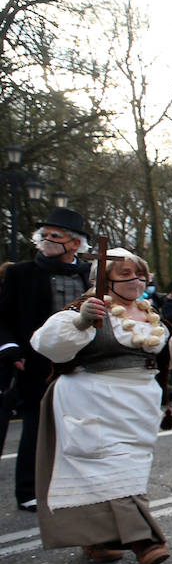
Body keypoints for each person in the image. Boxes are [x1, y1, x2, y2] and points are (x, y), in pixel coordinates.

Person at [30, 249, 172, 564]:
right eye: (125, 274)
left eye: (140, 274)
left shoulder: (149, 313)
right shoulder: (86, 309)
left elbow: (164, 354)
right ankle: (146, 541)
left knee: (124, 473)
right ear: (104, 279)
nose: (135, 280)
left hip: (139, 404)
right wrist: (82, 320)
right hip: (92, 400)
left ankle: (97, 541)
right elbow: (46, 343)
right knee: (111, 471)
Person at [0, 208, 92, 512]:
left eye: (56, 235)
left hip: (84, 364)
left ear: (75, 243)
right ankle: (29, 490)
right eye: (45, 235)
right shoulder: (20, 273)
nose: (47, 240)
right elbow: (4, 317)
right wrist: (12, 349)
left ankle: (76, 485)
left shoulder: (91, 276)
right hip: (36, 363)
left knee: (81, 428)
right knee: (36, 427)